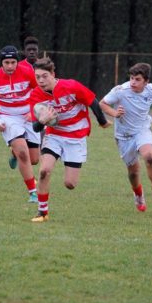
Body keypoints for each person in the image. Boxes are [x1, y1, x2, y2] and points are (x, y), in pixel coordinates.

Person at [28, 57, 111, 222]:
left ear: (53, 74)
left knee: (70, 184)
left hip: (76, 136)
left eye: (44, 76)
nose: (41, 80)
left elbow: (92, 102)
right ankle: (42, 212)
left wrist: (102, 122)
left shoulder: (71, 86)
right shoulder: (36, 95)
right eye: (37, 77)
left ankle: (47, 205)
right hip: (54, 135)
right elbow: (35, 128)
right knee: (44, 171)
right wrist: (43, 120)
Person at [99, 63, 152, 212]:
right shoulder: (120, 91)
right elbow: (102, 104)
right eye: (131, 78)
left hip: (142, 130)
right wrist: (114, 113)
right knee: (134, 172)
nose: (133, 82)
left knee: (149, 157)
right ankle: (138, 195)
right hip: (123, 136)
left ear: (146, 81)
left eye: (137, 79)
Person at [0, 45, 40, 203]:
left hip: (28, 115)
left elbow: (39, 92)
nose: (10, 66)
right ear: (1, 62)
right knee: (23, 153)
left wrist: (33, 111)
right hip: (8, 117)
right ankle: (33, 192)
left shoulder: (28, 73)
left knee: (34, 159)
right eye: (6, 62)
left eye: (13, 62)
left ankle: (14, 153)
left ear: (17, 62)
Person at [6, 36, 41, 169]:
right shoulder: (18, 66)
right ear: (24, 52)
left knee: (35, 160)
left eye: (34, 50)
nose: (32, 52)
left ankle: (16, 153)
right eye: (29, 49)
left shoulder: (44, 65)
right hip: (21, 110)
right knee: (23, 148)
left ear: (38, 51)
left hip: (38, 108)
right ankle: (18, 153)